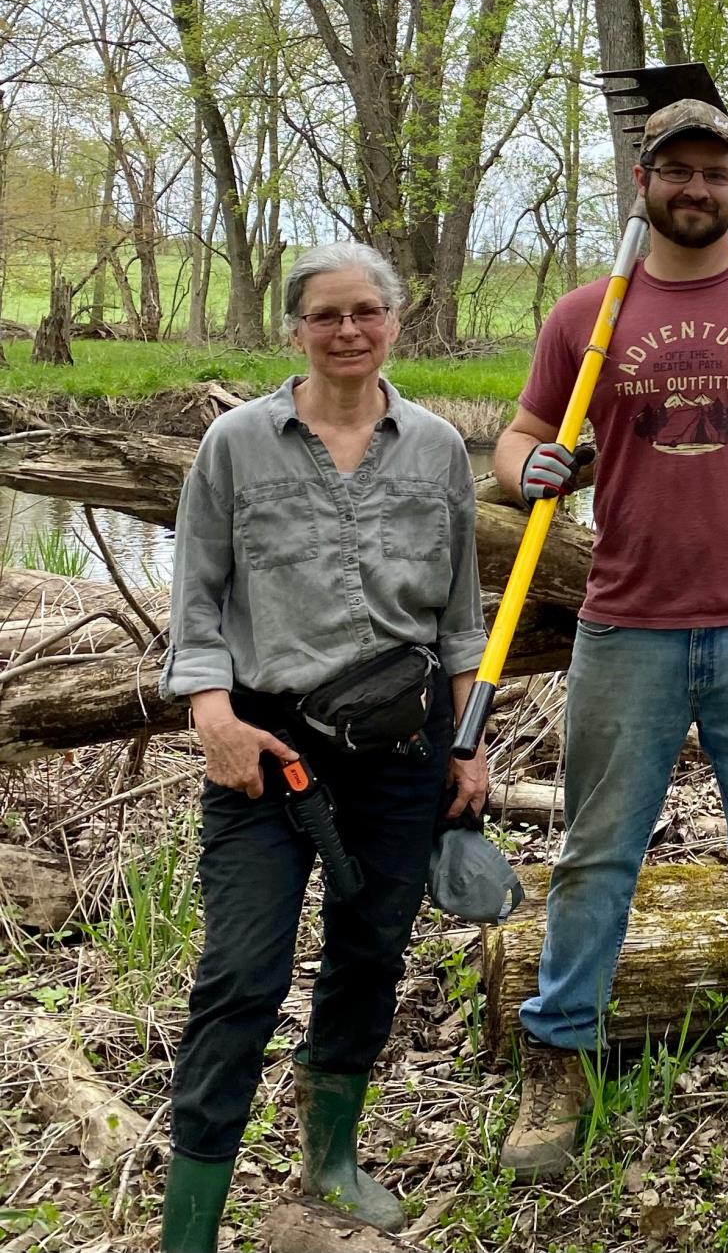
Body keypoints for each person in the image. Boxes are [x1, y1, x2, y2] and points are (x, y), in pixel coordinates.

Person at [496, 95, 728, 1178]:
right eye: (678, 171)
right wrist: (520, 467)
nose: (696, 188)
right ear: (644, 181)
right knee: (594, 853)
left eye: (714, 171)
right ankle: (558, 1052)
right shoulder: (588, 314)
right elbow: (523, 432)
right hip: (626, 625)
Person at [158, 244, 489, 1252]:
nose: (347, 331)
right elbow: (198, 598)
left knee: (369, 953)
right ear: (294, 328)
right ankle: (190, 1222)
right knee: (241, 973)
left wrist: (468, 748)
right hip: (263, 741)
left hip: (403, 748)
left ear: (395, 320)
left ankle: (331, 1160)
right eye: (325, 315)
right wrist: (211, 714)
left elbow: (461, 616)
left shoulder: (435, 448)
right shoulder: (233, 444)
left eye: (366, 312)